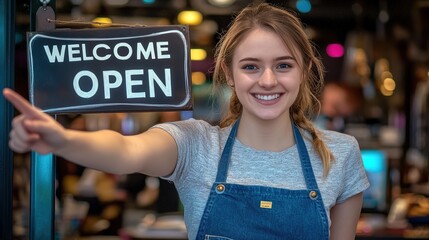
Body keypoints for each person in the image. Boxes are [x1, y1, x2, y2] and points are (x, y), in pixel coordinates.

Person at [3, 3, 369, 240]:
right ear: (228, 73)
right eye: (251, 66)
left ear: (304, 71)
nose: (268, 81)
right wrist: (62, 140)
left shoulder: (340, 153)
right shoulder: (197, 145)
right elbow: (127, 150)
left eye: (283, 65)